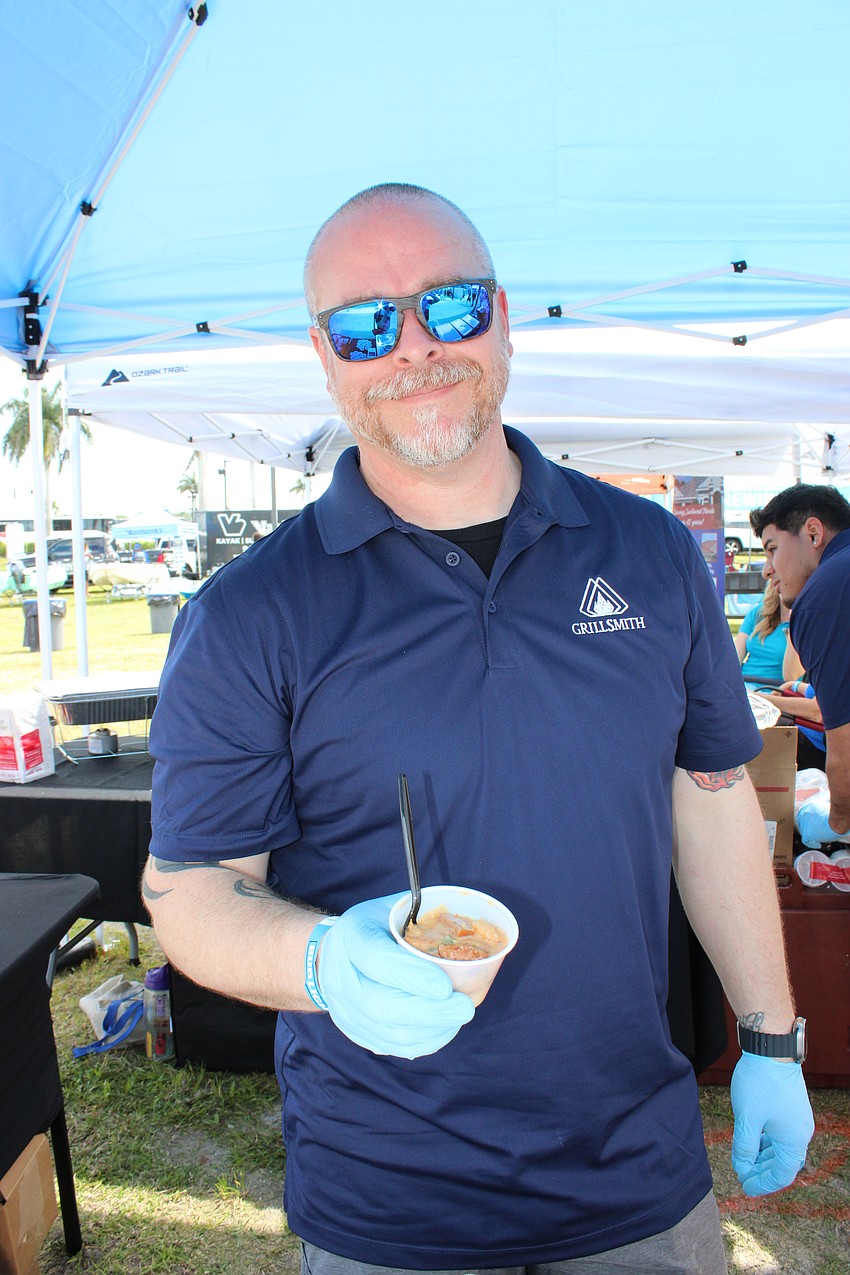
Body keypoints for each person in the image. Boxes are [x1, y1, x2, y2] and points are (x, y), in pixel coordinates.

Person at [143, 184, 813, 1274]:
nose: (413, 347)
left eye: (446, 307)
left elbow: (711, 798)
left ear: (498, 314)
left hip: (636, 1169)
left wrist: (772, 1034)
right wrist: (317, 957)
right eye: (367, 324)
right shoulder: (249, 612)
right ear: (325, 354)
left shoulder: (647, 550)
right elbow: (190, 888)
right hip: (387, 1194)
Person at [751, 484, 850, 847]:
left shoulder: (824, 594)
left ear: (813, 532)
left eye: (772, 549)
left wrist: (835, 821)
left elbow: (846, 740)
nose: (767, 570)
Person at [733, 579, 801, 686]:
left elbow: (790, 677)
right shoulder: (758, 613)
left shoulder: (804, 621)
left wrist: (795, 621)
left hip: (773, 693)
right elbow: (733, 661)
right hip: (743, 686)